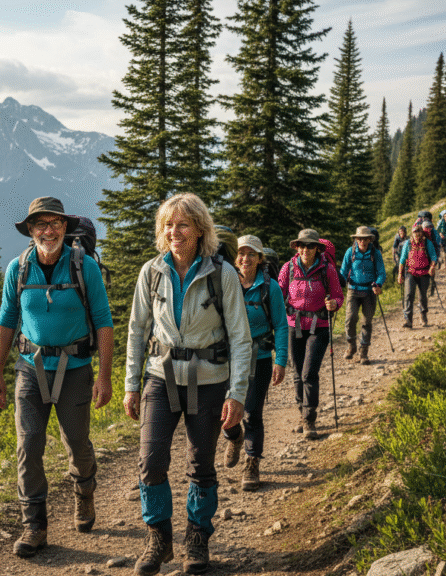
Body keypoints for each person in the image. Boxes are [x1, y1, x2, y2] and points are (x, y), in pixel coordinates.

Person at [123, 193, 251, 576]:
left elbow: (241, 339)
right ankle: (159, 538)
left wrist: (238, 394)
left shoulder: (223, 275)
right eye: (168, 225)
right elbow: (136, 330)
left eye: (182, 225)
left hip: (210, 380)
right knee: (150, 461)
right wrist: (131, 384)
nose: (174, 232)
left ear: (199, 230)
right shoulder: (151, 272)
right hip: (161, 378)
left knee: (201, 465)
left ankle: (197, 538)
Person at [0, 197, 114, 558]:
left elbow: (104, 322)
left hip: (75, 369)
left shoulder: (84, 267)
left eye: (54, 223)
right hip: (30, 370)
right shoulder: (18, 268)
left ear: (65, 227)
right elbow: (6, 321)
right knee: (29, 446)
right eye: (40, 224)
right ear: (30, 230)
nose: (48, 230)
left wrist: (104, 377)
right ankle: (34, 526)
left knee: (76, 443)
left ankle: (84, 492)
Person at [222, 235, 289, 492]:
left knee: (251, 412)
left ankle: (252, 461)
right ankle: (234, 437)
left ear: (260, 258)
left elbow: (281, 325)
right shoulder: (227, 283)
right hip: (227, 358)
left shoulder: (270, 288)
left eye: (251, 254)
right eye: (241, 253)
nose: (245, 259)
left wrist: (280, 360)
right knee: (222, 409)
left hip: (259, 358)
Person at [278, 229, 343, 439]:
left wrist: (334, 304)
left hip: (319, 325)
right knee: (297, 373)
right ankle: (302, 413)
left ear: (317, 248)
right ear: (297, 247)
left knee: (308, 373)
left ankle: (309, 419)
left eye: (310, 246)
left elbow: (338, 296)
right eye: (302, 245)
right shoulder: (288, 268)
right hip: (293, 324)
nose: (306, 250)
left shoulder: (328, 270)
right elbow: (278, 294)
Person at [339, 227, 386, 365]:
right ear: (356, 239)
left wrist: (378, 284)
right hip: (353, 290)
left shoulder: (375, 253)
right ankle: (351, 345)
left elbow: (381, 272)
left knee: (366, 322)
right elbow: (343, 271)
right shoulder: (350, 252)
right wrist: (338, 284)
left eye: (365, 239)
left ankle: (363, 353)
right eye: (360, 238)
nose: (362, 241)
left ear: (370, 239)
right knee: (350, 318)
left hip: (369, 291)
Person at [396, 223, 438, 328]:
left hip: (424, 272)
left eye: (418, 232)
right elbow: (402, 260)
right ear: (412, 233)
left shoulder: (427, 243)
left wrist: (432, 267)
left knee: (422, 296)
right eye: (415, 232)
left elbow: (433, 257)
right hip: (410, 272)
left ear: (422, 233)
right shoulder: (408, 244)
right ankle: (408, 320)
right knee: (409, 295)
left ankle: (423, 317)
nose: (417, 235)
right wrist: (400, 274)